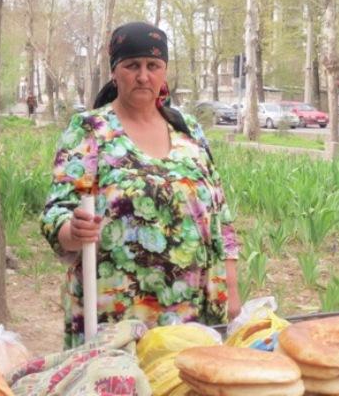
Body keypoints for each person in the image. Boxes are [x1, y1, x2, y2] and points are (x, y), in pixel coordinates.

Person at [41, 22, 240, 349]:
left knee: (183, 375)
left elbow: (221, 214)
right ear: (114, 72)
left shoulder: (188, 130)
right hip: (115, 312)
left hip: (191, 310)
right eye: (132, 65)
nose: (143, 76)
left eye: (153, 65)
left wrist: (231, 288)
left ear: (165, 71)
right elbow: (57, 211)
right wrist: (72, 231)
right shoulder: (90, 129)